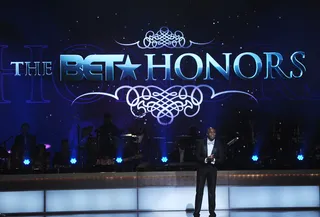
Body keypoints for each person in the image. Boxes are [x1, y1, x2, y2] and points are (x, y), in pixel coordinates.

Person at [194, 127, 224, 217]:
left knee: (212, 191)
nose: (212, 134)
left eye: (214, 133)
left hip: (212, 169)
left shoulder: (219, 144)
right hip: (202, 169)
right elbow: (197, 156)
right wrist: (206, 159)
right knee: (199, 191)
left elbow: (222, 158)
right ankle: (196, 212)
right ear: (207, 133)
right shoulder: (200, 142)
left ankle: (212, 212)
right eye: (210, 132)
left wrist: (214, 160)